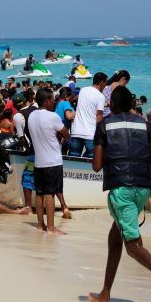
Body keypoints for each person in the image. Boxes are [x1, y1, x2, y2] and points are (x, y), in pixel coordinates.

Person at [88, 86, 151, 302]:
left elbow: (96, 165)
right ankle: (104, 295)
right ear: (131, 103)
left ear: (112, 105)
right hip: (142, 188)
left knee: (132, 246)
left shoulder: (104, 126)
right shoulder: (145, 124)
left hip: (122, 189)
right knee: (115, 237)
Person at [28, 88, 70, 235]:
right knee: (50, 194)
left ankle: (40, 225)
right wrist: (60, 136)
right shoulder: (53, 116)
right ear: (47, 101)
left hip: (39, 161)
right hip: (53, 161)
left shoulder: (32, 115)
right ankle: (51, 227)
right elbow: (67, 134)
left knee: (39, 193)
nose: (54, 102)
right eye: (52, 99)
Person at [69, 72, 106, 158]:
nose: (105, 86)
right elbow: (99, 116)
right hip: (90, 134)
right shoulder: (100, 96)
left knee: (73, 161)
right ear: (101, 83)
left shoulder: (83, 90)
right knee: (90, 164)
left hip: (76, 132)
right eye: (105, 83)